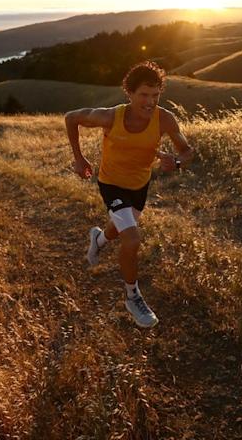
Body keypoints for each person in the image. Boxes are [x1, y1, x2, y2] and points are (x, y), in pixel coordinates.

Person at [64, 61, 193, 328]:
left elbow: (187, 151)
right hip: (111, 183)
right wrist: (79, 158)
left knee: (120, 227)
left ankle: (97, 240)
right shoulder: (111, 116)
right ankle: (132, 297)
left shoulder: (165, 119)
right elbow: (71, 117)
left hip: (139, 186)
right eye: (144, 95)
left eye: (155, 95)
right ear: (130, 94)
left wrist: (177, 163)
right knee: (132, 239)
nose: (150, 101)